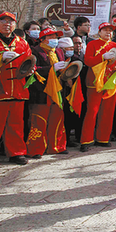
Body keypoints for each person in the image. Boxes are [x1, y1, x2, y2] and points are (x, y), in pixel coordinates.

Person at [0, 12, 35, 168]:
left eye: (10, 22)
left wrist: (31, 69)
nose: (7, 24)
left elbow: (29, 61)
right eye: (3, 21)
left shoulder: (22, 43)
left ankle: (16, 153)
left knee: (16, 125)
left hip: (17, 89)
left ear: (15, 25)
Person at [80, 22, 116, 151]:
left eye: (110, 31)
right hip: (94, 82)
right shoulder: (92, 44)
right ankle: (86, 140)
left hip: (110, 82)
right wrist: (102, 57)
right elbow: (88, 61)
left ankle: (103, 138)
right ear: (99, 32)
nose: (108, 33)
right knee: (92, 111)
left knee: (108, 112)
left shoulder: (114, 45)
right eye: (105, 30)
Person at [25, 27, 68, 158]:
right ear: (42, 39)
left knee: (57, 119)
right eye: (51, 37)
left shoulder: (59, 51)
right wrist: (51, 68)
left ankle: (57, 146)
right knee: (39, 121)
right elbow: (33, 69)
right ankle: (36, 149)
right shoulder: (34, 51)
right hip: (41, 91)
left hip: (58, 90)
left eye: (56, 37)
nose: (55, 40)